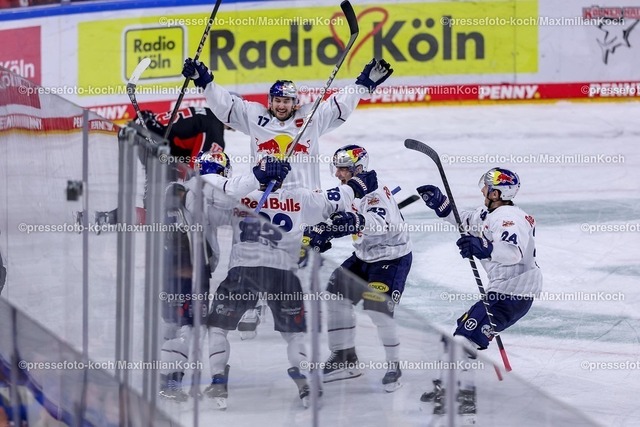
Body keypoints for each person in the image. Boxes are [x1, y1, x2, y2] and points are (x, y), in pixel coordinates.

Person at [201, 155, 379, 409]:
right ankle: (306, 385)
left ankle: (218, 381)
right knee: (293, 335)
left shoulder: (239, 196)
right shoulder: (300, 197)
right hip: (283, 275)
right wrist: (356, 186)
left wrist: (252, 178)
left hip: (244, 272)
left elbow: (209, 190)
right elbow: (336, 200)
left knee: (218, 328)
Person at [158, 150, 292, 401]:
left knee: (177, 326)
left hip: (174, 268)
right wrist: (259, 175)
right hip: (190, 271)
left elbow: (225, 212)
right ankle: (168, 382)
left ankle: (166, 377)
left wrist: (258, 194)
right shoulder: (204, 184)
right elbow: (230, 193)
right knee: (190, 329)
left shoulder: (188, 190)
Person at [416, 167, 542, 415]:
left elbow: (512, 253)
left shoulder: (509, 218)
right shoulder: (490, 213)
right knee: (460, 337)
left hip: (512, 294)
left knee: (463, 341)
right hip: (503, 291)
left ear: (496, 193)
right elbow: (465, 220)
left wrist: (483, 246)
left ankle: (463, 397)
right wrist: (441, 203)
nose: (483, 190)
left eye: (487, 187)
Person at [181, 57, 394, 190]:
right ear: (270, 101)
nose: (281, 106)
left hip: (305, 201)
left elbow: (338, 104)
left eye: (286, 101)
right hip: (267, 199)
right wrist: (204, 81)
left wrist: (362, 85)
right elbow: (226, 104)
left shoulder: (311, 117)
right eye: (278, 101)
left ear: (295, 103)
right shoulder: (254, 116)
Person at [305, 144, 412, 392]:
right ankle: (345, 357)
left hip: (391, 258)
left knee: (378, 310)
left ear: (359, 169)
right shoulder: (348, 190)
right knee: (335, 295)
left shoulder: (375, 194)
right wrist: (321, 230)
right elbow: (331, 212)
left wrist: (355, 221)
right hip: (363, 256)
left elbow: (379, 224)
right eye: (337, 168)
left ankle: (394, 366)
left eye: (344, 169)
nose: (338, 174)